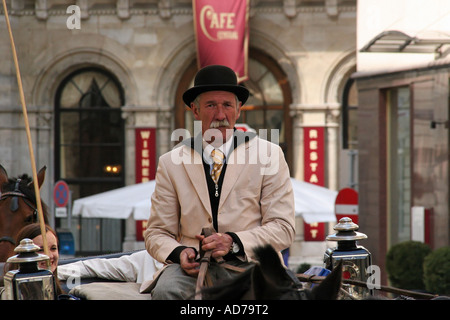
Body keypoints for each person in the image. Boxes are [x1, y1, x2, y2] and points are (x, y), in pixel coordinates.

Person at [143, 64, 295, 299]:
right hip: (191, 271)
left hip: (251, 266)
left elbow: (283, 228)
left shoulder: (270, 155)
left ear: (239, 109)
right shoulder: (171, 162)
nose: (221, 115)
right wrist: (179, 252)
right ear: (195, 110)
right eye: (211, 105)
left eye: (227, 105)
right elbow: (156, 232)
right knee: (166, 292)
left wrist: (233, 242)